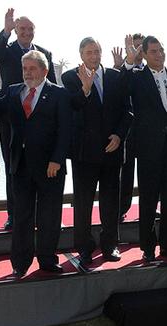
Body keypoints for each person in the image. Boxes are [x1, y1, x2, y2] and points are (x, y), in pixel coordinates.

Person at [0, 50, 72, 278]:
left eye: (32, 68)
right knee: (22, 216)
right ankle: (20, 262)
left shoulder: (59, 94)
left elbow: (65, 131)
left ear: (44, 70)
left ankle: (47, 260)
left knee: (49, 216)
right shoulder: (12, 92)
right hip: (21, 166)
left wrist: (57, 159)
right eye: (25, 68)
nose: (28, 73)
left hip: (50, 167)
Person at [123, 35, 167, 262]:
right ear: (144, 54)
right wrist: (129, 60)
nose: (159, 54)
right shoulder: (136, 78)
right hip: (147, 149)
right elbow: (120, 88)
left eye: (161, 50)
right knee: (148, 199)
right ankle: (148, 247)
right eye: (153, 51)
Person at [62, 38, 132, 265]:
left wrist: (119, 135)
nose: (94, 56)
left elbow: (127, 111)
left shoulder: (115, 76)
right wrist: (86, 88)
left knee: (111, 202)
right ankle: (84, 247)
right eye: (89, 52)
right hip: (84, 153)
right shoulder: (70, 77)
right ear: (81, 54)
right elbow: (72, 107)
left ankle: (110, 244)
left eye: (97, 51)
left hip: (112, 149)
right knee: (83, 203)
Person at [0, 8, 57, 231]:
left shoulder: (44, 53)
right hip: (13, 119)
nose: (27, 32)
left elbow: (54, 86)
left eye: (30, 29)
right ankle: (14, 214)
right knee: (14, 167)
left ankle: (39, 214)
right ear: (16, 30)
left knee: (39, 166)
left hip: (40, 120)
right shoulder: (7, 51)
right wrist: (5, 30)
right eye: (22, 29)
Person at [114, 33, 145, 223]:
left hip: (147, 130)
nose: (138, 50)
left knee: (148, 171)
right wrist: (120, 66)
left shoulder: (153, 70)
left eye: (141, 47)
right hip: (127, 131)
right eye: (135, 47)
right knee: (125, 173)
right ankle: (121, 208)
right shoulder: (122, 70)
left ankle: (149, 207)